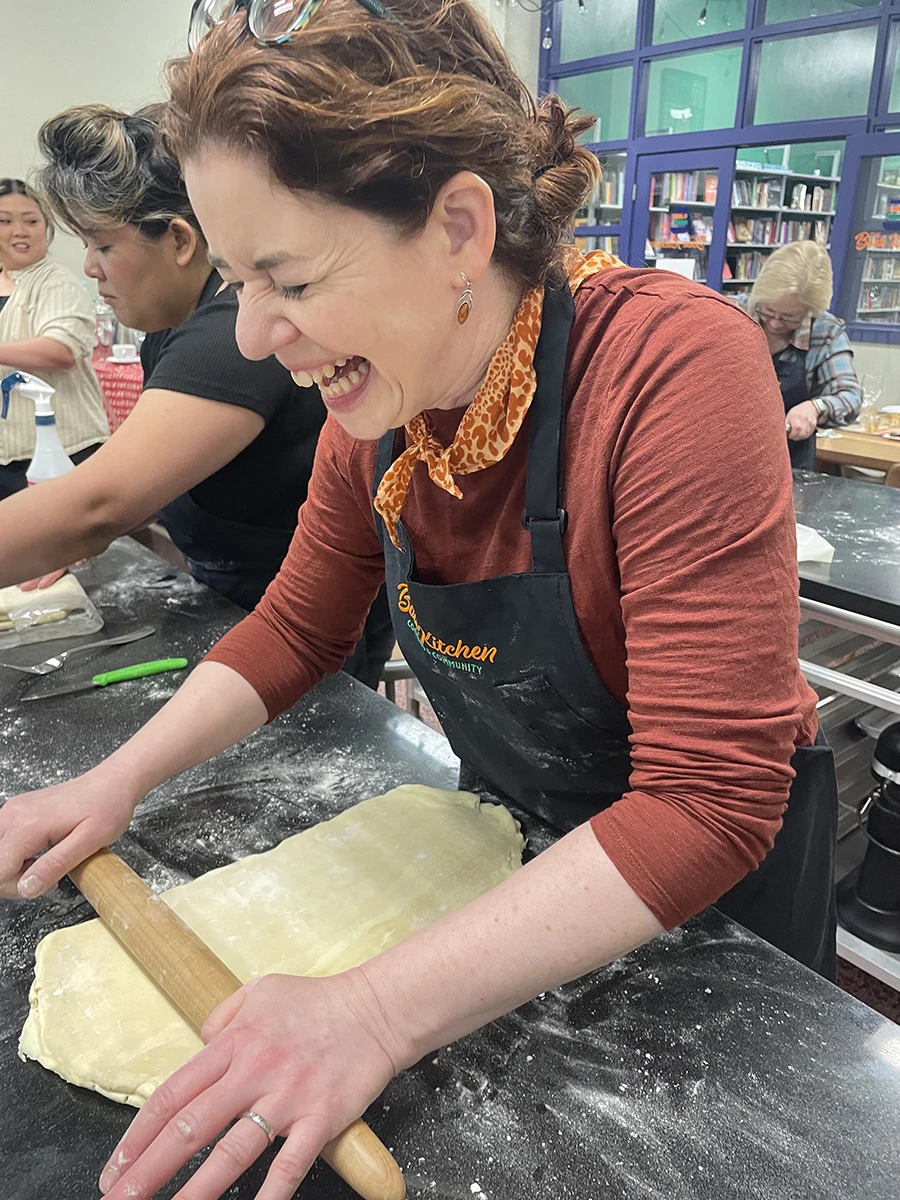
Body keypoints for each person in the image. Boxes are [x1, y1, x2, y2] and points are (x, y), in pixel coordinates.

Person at [0, 2, 838, 1197]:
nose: (255, 332)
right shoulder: (382, 400)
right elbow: (297, 625)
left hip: (712, 916)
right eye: (237, 280)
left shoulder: (671, 369)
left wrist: (376, 1016)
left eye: (285, 275)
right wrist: (112, 781)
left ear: (458, 227)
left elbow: (708, 798)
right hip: (513, 871)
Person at [0, 105, 392, 685]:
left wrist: (74, 524)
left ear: (180, 239)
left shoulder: (232, 333)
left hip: (308, 622)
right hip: (235, 600)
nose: (89, 268)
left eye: (102, 246)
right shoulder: (175, 324)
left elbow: (96, 505)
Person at [0, 178, 108, 499]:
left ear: (46, 228)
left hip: (60, 451)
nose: (19, 231)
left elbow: (60, 351)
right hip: (9, 454)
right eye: (4, 221)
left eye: (31, 221)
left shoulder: (56, 283)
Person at [748, 240, 861, 471]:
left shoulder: (825, 331)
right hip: (729, 455)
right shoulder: (732, 315)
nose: (774, 323)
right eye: (768, 311)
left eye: (789, 317)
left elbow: (850, 397)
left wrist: (815, 407)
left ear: (810, 311)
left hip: (791, 465)